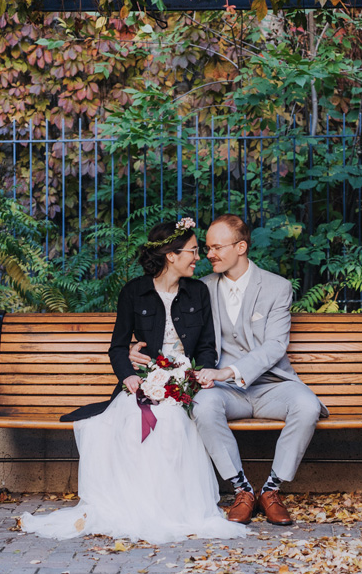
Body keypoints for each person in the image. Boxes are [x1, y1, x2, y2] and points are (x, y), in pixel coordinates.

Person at [19, 218, 248, 544]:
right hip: (144, 381)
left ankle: (172, 507)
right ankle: (136, 504)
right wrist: (128, 374)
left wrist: (200, 374)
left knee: (172, 421)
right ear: (171, 255)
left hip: (185, 381)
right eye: (193, 251)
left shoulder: (198, 291)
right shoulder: (134, 293)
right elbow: (117, 346)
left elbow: (208, 347)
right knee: (128, 421)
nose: (198, 257)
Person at [131, 213, 326, 526]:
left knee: (307, 404)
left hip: (272, 385)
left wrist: (229, 370)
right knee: (202, 405)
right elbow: (168, 325)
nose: (208, 255)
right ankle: (242, 490)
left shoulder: (277, 288)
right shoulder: (199, 288)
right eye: (206, 248)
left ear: (241, 247)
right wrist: (137, 347)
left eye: (217, 247)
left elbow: (275, 346)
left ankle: (272, 489)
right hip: (221, 391)